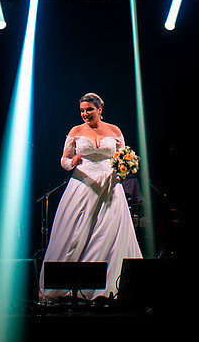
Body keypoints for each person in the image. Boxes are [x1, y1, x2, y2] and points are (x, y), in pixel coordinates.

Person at [38, 93, 142, 302]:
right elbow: (64, 161)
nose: (85, 114)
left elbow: (124, 157)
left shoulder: (114, 131)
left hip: (109, 187)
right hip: (82, 186)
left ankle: (107, 288)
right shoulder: (75, 131)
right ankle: (67, 284)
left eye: (89, 110)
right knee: (75, 233)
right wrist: (72, 161)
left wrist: (125, 167)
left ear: (100, 109)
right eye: (82, 111)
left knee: (108, 234)